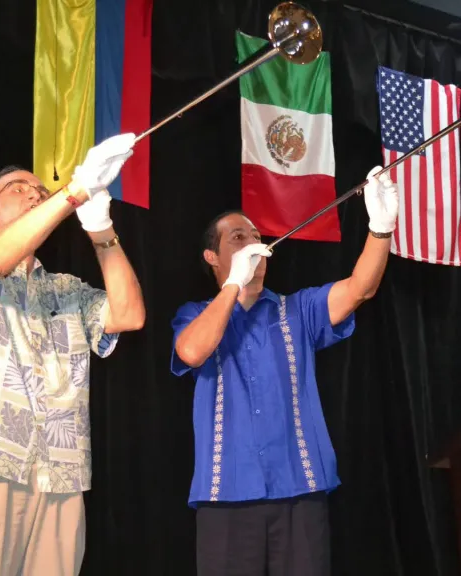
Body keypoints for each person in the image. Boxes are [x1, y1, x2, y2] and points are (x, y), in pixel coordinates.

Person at [170, 166, 399, 575]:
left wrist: (380, 229)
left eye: (256, 236)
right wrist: (232, 288)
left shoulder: (298, 309)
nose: (252, 243)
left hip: (301, 493)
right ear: (211, 257)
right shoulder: (196, 314)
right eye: (238, 237)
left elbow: (360, 288)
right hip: (225, 497)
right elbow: (190, 351)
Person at [0, 133, 145, 576]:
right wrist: (74, 191)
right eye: (18, 189)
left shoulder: (65, 288)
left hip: (61, 473)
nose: (34, 194)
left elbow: (128, 316)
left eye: (40, 192)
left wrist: (101, 229)